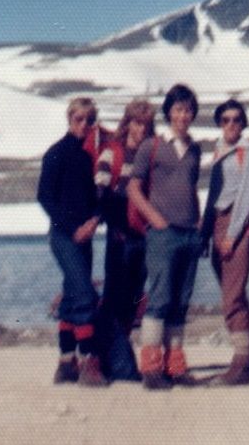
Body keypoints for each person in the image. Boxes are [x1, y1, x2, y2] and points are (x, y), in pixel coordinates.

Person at [127, 83, 202, 389]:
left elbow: (191, 189)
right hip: (163, 234)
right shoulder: (152, 146)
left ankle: (175, 364)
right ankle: (151, 368)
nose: (183, 115)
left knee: (181, 301)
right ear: (168, 111)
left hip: (189, 234)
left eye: (188, 110)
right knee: (159, 299)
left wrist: (198, 224)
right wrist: (154, 218)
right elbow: (133, 187)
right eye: (178, 109)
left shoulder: (195, 149)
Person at [37, 97, 107, 387]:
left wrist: (94, 220)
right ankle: (89, 361)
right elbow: (45, 196)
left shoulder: (92, 156)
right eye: (78, 119)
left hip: (85, 235)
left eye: (89, 120)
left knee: (71, 295)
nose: (83, 125)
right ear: (69, 119)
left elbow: (98, 197)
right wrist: (71, 227)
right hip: (64, 236)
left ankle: (66, 363)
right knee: (85, 295)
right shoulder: (56, 153)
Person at [200, 99, 249, 385]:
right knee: (232, 291)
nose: (231, 125)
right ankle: (246, 362)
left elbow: (247, 196)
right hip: (217, 223)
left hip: (234, 226)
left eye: (237, 119)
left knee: (232, 296)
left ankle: (240, 363)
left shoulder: (248, 153)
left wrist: (232, 235)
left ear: (243, 122)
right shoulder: (220, 151)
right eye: (225, 120)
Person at [95, 100, 155, 333]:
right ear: (128, 123)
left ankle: (123, 347)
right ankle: (102, 354)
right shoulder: (113, 152)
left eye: (146, 125)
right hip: (120, 233)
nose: (141, 130)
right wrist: (114, 223)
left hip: (143, 232)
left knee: (135, 292)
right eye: (137, 123)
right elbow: (101, 189)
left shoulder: (151, 154)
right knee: (114, 291)